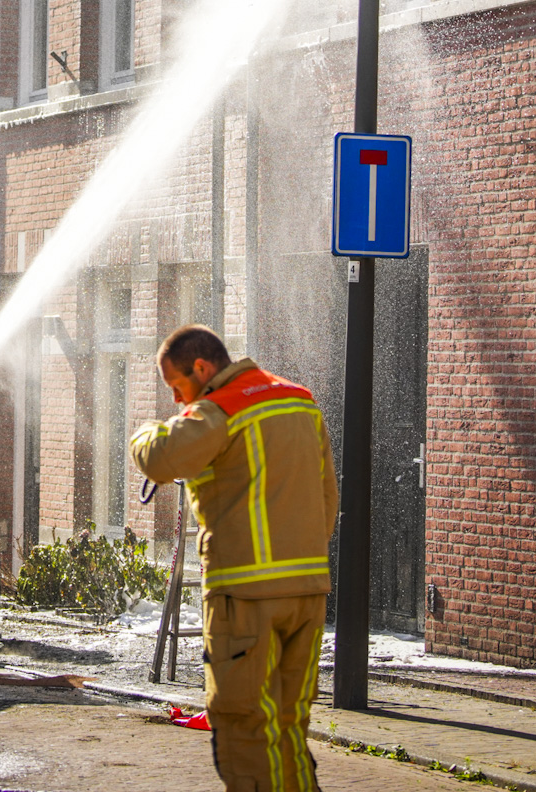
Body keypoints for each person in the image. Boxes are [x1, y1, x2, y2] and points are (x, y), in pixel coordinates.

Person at [130, 325, 338, 792]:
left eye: (177, 387)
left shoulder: (219, 408)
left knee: (243, 724)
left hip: (245, 596)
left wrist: (144, 431)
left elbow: (162, 459)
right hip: (307, 592)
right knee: (288, 725)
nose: (177, 401)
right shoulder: (299, 400)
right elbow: (328, 494)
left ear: (201, 369)